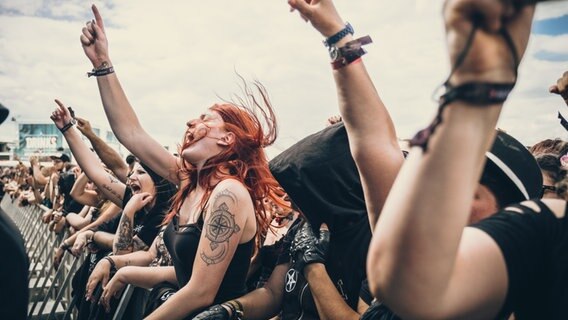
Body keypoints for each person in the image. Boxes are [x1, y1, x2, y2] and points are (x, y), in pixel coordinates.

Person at [78, 5, 288, 319]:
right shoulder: (191, 182)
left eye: (205, 119)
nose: (190, 122)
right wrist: (102, 64)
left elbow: (201, 291)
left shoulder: (228, 194)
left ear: (228, 139)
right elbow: (131, 133)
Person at [366, 0, 568, 319]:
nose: (448, 196)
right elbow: (409, 285)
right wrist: (473, 89)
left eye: (471, 190)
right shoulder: (552, 228)